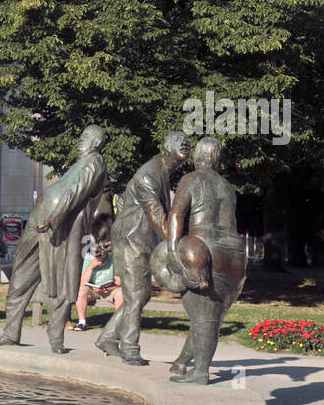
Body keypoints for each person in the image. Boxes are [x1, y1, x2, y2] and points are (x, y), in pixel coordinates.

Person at [0, 124, 108, 354]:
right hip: (40, 225)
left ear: (95, 143)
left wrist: (53, 218)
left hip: (58, 229)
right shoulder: (81, 163)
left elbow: (74, 192)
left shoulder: (94, 162)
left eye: (84, 137)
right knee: (20, 278)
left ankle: (56, 338)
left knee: (61, 285)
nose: (79, 140)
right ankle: (10, 333)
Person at [95, 131, 191, 365]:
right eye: (179, 141)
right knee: (136, 294)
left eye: (187, 142)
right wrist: (176, 244)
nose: (185, 144)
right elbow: (158, 216)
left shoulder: (163, 171)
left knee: (140, 294)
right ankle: (130, 348)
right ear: (166, 146)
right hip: (132, 239)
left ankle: (107, 338)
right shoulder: (149, 175)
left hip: (142, 239)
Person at [162, 137, 247, 384]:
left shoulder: (191, 179)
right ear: (216, 158)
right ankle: (181, 364)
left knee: (205, 319)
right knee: (208, 317)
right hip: (234, 256)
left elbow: (176, 215)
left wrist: (171, 251)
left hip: (206, 250)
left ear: (200, 157)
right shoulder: (228, 187)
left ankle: (200, 373)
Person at [73, 240, 123, 331]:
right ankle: (82, 322)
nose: (101, 263)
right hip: (93, 289)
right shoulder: (88, 258)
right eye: (98, 261)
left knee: (121, 293)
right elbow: (82, 283)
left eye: (103, 261)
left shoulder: (114, 259)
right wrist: (91, 267)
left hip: (110, 289)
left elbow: (119, 282)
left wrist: (106, 288)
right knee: (80, 291)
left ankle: (118, 324)